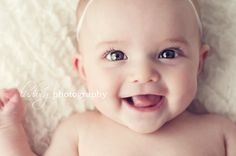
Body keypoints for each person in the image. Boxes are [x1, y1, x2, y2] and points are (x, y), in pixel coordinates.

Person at [0, 0, 236, 155]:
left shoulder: (220, 133)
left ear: (199, 63)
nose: (143, 74)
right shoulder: (80, 132)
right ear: (83, 70)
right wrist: (9, 131)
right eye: (115, 55)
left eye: (168, 53)